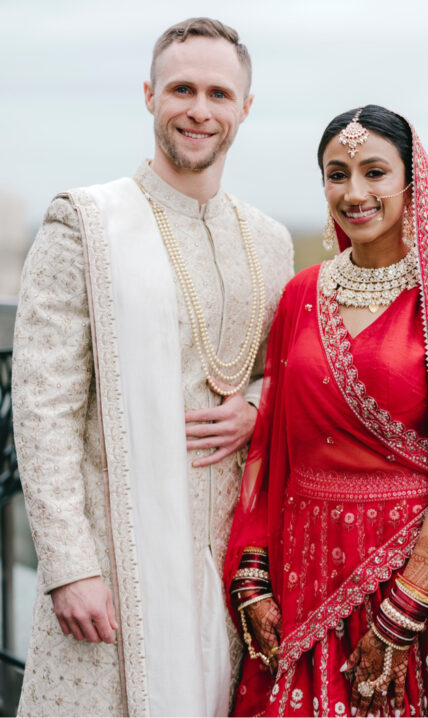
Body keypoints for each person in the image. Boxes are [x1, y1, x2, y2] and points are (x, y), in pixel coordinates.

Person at [12, 18, 293, 716]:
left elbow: (288, 371)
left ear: (244, 107)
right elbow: (42, 407)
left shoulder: (270, 241)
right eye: (181, 89)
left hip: (229, 572)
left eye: (219, 94)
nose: (200, 110)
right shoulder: (84, 223)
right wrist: (69, 567)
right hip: (114, 564)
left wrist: (255, 406)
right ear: (150, 96)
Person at [222, 105, 428, 718]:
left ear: (411, 185)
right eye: (337, 174)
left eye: (374, 172)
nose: (354, 193)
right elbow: (272, 444)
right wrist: (253, 570)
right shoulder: (301, 294)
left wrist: (408, 601)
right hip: (302, 562)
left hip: (407, 571)